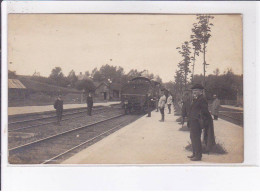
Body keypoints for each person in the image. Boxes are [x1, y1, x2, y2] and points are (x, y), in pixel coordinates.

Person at [188, 84, 215, 161]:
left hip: (197, 122)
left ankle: (198, 156)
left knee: (196, 138)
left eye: (196, 90)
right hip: (193, 121)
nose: (194, 92)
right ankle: (194, 153)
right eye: (194, 91)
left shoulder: (202, 99)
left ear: (201, 91)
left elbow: (205, 111)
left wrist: (202, 120)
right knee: (192, 137)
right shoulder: (197, 99)